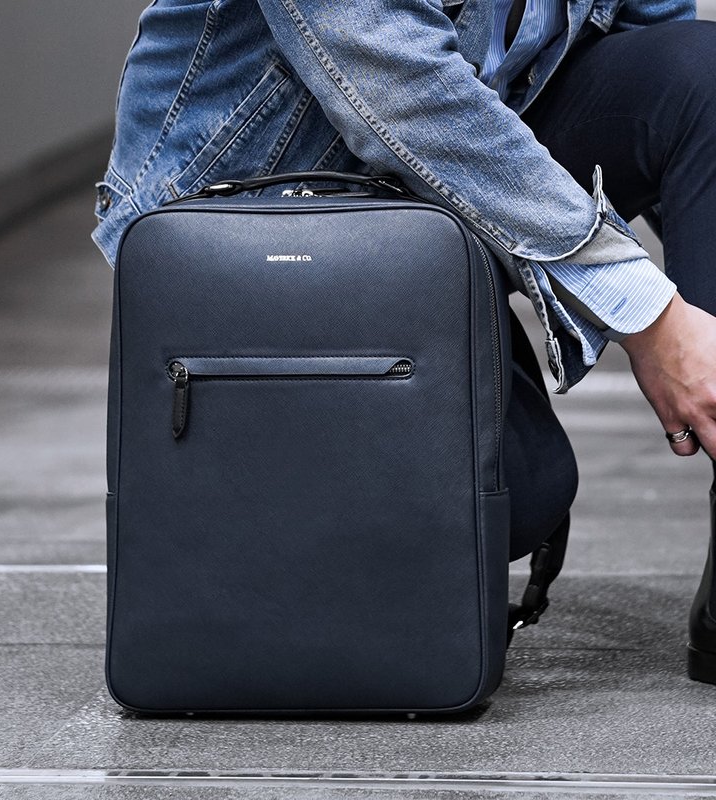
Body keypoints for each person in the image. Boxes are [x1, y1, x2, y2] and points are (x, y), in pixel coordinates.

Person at [90, 0, 716, 685]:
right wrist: (655, 321)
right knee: (516, 494)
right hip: (261, 226)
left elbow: (654, 65)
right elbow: (395, 84)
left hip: (436, 198)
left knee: (700, 69)